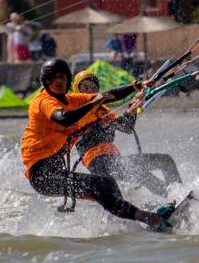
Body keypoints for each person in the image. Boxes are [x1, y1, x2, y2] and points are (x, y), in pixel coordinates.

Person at [21, 58, 170, 230]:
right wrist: (92, 104)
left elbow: (109, 95)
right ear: (45, 81)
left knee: (106, 185)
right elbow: (64, 119)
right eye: (53, 78)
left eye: (62, 77)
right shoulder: (43, 101)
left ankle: (137, 221)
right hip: (42, 175)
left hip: (55, 171)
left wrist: (137, 85)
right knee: (100, 186)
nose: (58, 81)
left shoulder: (72, 100)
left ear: (68, 79)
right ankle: (150, 219)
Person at [71, 70, 182, 197]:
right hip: (97, 161)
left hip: (115, 159)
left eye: (93, 87)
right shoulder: (78, 110)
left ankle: (175, 195)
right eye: (85, 87)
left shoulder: (104, 110)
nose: (90, 90)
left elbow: (126, 127)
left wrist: (132, 108)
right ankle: (170, 196)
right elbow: (99, 132)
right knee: (140, 175)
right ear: (77, 91)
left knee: (165, 160)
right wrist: (127, 112)